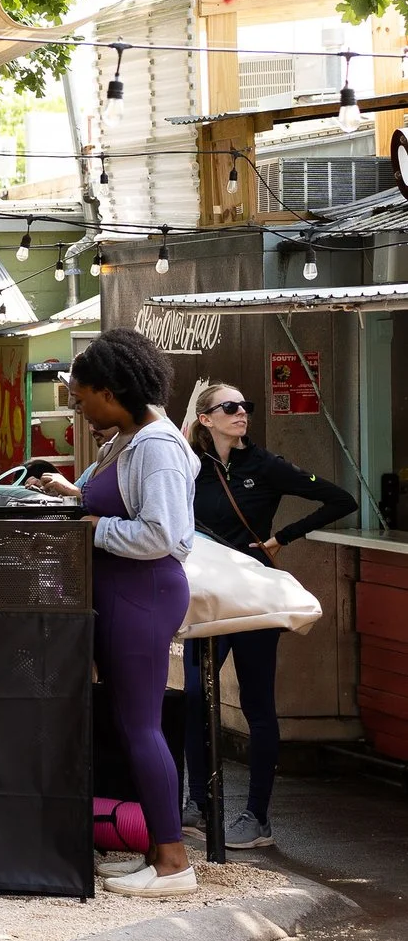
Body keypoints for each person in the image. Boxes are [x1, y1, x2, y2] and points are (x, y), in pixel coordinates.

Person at [27, 329, 201, 896]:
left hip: (143, 592)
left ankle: (174, 862)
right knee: (130, 725)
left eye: (82, 398)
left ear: (112, 388)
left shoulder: (157, 446)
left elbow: (163, 534)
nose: (78, 409)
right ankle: (155, 848)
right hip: (125, 591)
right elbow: (108, 502)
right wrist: (73, 497)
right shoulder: (126, 439)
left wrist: (92, 526)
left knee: (142, 726)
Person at [180, 378, 356, 848]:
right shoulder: (190, 465)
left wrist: (282, 538)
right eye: (230, 406)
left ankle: (256, 817)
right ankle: (198, 803)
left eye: (246, 406)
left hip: (253, 599)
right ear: (205, 418)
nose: (242, 412)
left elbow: (341, 500)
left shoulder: (266, 465)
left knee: (258, 704)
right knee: (194, 697)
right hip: (205, 599)